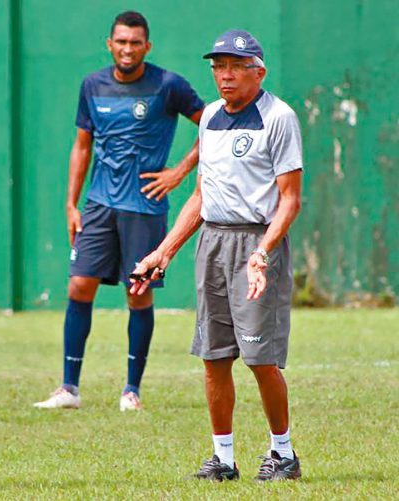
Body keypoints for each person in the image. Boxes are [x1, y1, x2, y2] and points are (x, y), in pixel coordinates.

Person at [130, 30, 303, 481]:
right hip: (213, 243)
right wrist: (162, 252)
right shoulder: (208, 117)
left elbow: (290, 200)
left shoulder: (278, 117)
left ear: (258, 71)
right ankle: (224, 459)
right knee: (214, 356)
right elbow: (202, 196)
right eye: (217, 67)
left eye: (234, 66)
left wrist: (263, 252)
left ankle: (283, 453)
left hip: (256, 243)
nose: (224, 76)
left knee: (260, 357)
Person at [34, 11, 204, 411]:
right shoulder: (92, 85)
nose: (128, 49)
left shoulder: (168, 85)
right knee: (79, 285)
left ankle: (132, 390)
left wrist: (179, 172)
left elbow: (211, 124)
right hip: (98, 206)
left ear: (147, 46)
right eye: (121, 42)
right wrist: (71, 204)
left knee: (137, 293)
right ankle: (69, 389)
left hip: (144, 207)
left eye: (135, 42)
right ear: (109, 45)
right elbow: (81, 147)